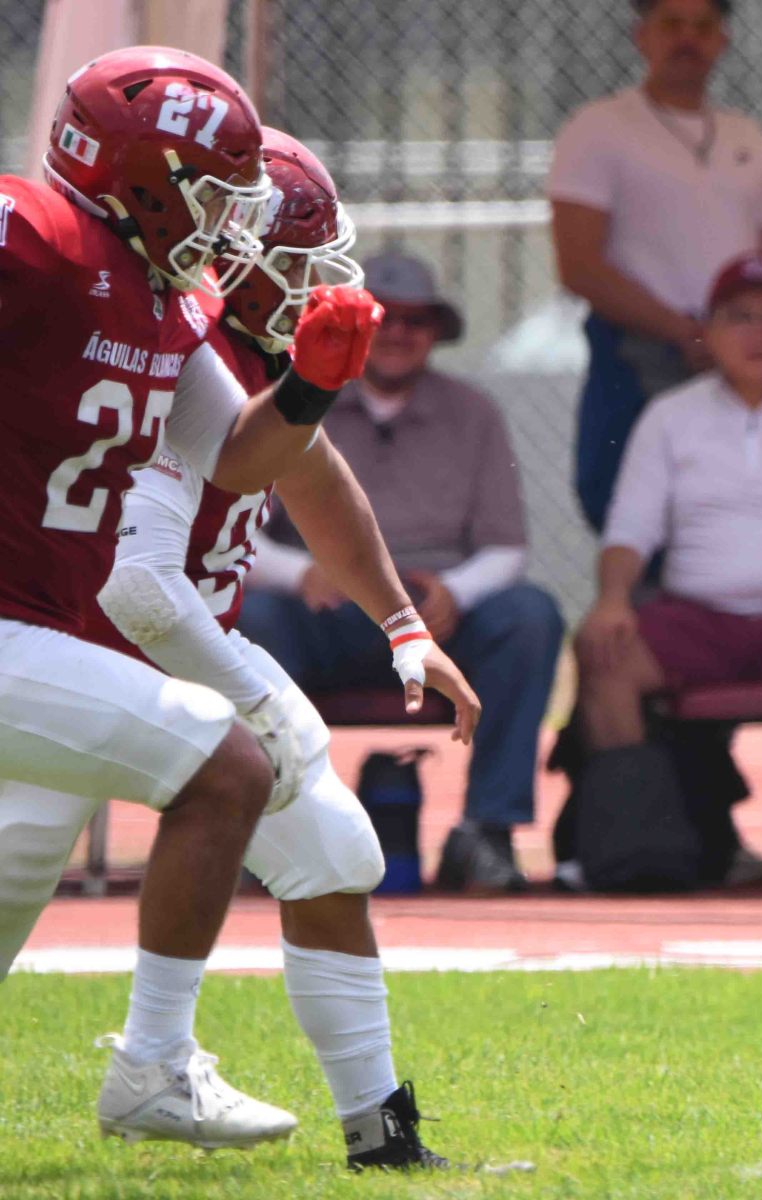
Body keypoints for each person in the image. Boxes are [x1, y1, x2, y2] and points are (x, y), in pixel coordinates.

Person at [0, 132, 485, 1169]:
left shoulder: (226, 349)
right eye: (298, 260)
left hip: (152, 661)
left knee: (333, 855)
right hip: (84, 655)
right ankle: (158, 1067)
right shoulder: (164, 336)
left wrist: (402, 624)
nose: (316, 283)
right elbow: (138, 585)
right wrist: (255, 697)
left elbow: (311, 476)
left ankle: (383, 1140)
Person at [240, 252, 562, 893]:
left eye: (418, 320)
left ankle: (488, 831)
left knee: (530, 615)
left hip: (436, 616)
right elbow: (236, 534)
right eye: (384, 318)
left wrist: (456, 593)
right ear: (356, 328)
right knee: (250, 618)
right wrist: (302, 574)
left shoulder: (474, 413)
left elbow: (506, 547)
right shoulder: (292, 400)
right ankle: (269, 825)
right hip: (323, 613)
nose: (399, 333)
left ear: (436, 332)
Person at [575, 253, 762, 895]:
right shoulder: (670, 416)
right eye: (740, 317)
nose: (759, 332)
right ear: (709, 333)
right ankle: (641, 830)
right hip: (697, 617)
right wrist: (612, 598)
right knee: (604, 648)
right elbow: (629, 531)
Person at [548, 0, 762, 531]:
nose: (688, 39)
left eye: (703, 27)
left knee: (737, 512)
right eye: (672, 25)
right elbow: (579, 265)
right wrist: (685, 332)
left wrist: (742, 337)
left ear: (723, 41)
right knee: (626, 509)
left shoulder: (750, 137)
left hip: (739, 360)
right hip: (638, 353)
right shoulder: (598, 128)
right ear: (642, 36)